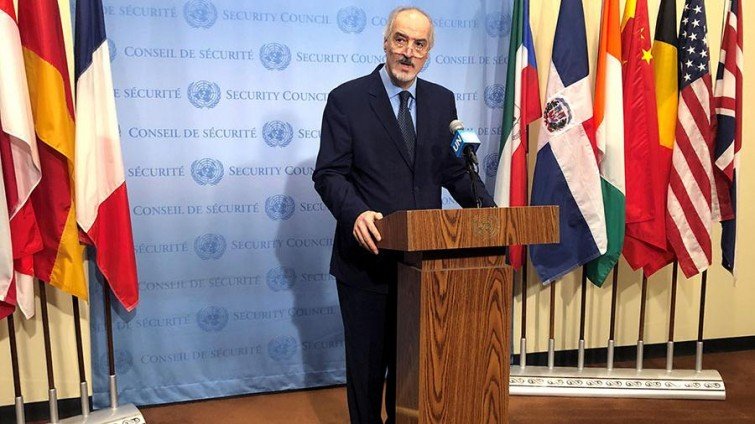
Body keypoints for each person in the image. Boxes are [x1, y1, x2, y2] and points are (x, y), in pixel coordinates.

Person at [312, 6, 495, 423]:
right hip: (368, 262)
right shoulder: (347, 100)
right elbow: (329, 174)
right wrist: (356, 213)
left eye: (419, 44)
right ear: (385, 42)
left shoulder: (442, 101)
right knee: (366, 373)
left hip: (425, 267)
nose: (408, 52)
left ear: (428, 52)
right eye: (401, 40)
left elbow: (454, 172)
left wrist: (490, 215)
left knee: (413, 370)